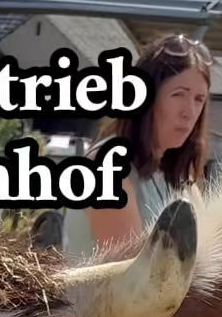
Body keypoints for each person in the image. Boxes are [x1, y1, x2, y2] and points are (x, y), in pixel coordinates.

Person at [61, 33, 212, 262]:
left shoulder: (181, 175)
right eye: (178, 95)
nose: (189, 112)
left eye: (199, 99)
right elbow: (134, 275)